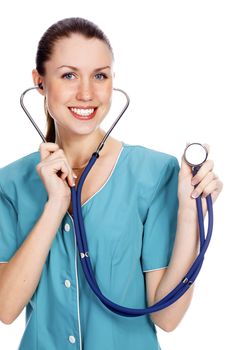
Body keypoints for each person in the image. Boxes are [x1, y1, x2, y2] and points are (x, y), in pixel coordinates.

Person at [0, 17, 223, 350]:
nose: (87, 93)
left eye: (100, 76)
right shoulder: (10, 183)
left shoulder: (154, 173)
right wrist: (55, 207)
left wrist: (189, 213)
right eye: (69, 75)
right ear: (40, 82)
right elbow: (5, 309)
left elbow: (168, 318)